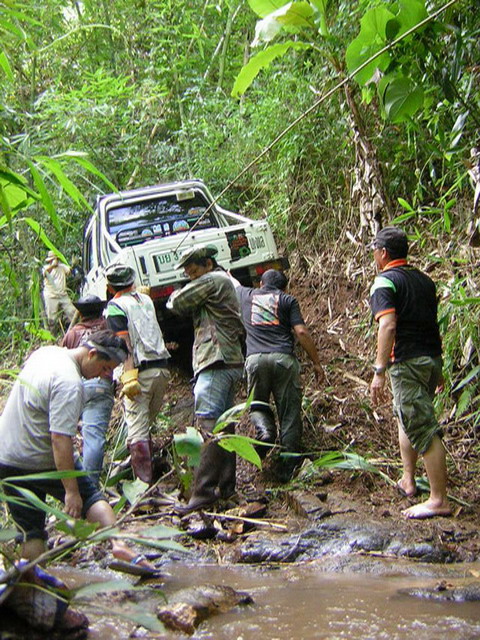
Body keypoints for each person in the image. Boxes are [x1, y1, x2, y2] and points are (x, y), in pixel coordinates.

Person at [0, 330, 153, 568]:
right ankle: (118, 544)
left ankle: (30, 581)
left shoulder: (46, 353)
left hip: (7, 456)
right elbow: (59, 439)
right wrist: (71, 491)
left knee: (30, 531)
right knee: (90, 497)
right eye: (105, 368)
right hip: (41, 457)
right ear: (91, 354)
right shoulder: (70, 384)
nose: (104, 375)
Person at [369, 226, 451, 519]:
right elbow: (431, 323)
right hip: (430, 359)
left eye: (374, 251)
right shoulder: (424, 280)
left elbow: (388, 325)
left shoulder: (385, 281)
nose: (374, 256)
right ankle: (408, 479)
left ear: (383, 253)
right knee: (407, 418)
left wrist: (379, 370)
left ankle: (438, 499)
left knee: (423, 428)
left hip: (407, 363)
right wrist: (438, 367)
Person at [166, 245, 244, 513]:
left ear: (208, 264)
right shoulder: (222, 280)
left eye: (194, 271)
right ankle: (226, 487)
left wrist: (175, 291)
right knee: (224, 427)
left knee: (209, 423)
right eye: (188, 274)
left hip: (216, 359)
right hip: (227, 359)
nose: (192, 277)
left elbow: (177, 303)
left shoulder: (212, 280)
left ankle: (203, 493)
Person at [234, 269, 323, 481]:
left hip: (255, 360)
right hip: (283, 360)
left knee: (257, 404)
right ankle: (288, 465)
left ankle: (265, 432)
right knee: (289, 412)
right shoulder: (287, 300)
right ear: (285, 287)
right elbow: (301, 332)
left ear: (261, 283)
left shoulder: (246, 295)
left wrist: (227, 273)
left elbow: (233, 282)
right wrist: (316, 363)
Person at [105, 264, 170, 485]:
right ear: (132, 281)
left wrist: (129, 376)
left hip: (140, 373)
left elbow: (124, 344)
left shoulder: (115, 307)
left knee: (137, 431)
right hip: (161, 368)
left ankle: (144, 486)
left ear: (109, 287)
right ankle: (147, 474)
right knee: (144, 425)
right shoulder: (146, 300)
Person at [62, 295, 114, 486]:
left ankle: (69, 481)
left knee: (63, 434)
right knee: (94, 437)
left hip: (75, 386)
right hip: (100, 385)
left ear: (81, 313)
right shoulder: (107, 329)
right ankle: (90, 486)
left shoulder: (72, 334)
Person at [42, 250, 76, 330]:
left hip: (63, 295)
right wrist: (52, 266)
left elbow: (69, 271)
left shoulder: (62, 267)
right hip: (51, 296)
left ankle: (74, 331)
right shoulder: (46, 268)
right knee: (52, 319)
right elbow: (45, 273)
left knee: (72, 312)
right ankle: (52, 335)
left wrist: (73, 264)